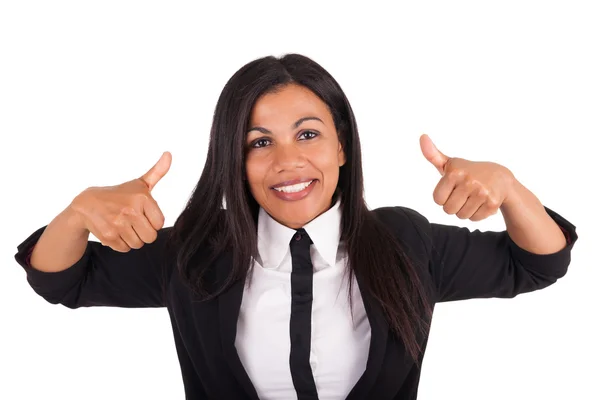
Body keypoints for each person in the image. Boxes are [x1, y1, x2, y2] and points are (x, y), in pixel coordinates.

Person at [14, 53, 578, 400]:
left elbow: (539, 262)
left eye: (307, 134)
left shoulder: (405, 243)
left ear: (341, 147)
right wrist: (78, 211)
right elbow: (62, 280)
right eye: (259, 143)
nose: (287, 161)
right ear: (235, 161)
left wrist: (509, 186)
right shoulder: (196, 253)